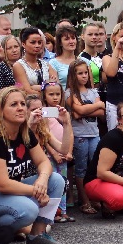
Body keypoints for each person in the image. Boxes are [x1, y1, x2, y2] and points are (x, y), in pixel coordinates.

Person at [0, 86, 66, 244]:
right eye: (13, 104)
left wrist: (42, 180)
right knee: (28, 210)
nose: (20, 108)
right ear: (0, 110)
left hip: (6, 195)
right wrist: (37, 191)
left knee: (55, 180)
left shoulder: (24, 133)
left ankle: (37, 236)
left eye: (22, 104)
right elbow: (2, 184)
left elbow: (44, 163)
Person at [66, 59, 103, 215]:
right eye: (80, 73)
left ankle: (94, 197)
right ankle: (84, 200)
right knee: (81, 169)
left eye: (85, 73)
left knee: (94, 167)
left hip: (94, 134)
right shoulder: (69, 92)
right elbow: (77, 112)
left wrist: (83, 110)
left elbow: (102, 111)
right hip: (80, 135)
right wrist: (94, 107)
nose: (84, 76)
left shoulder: (93, 92)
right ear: (73, 76)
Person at [39, 81, 74, 222]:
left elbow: (70, 133)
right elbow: (44, 135)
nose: (55, 97)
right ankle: (53, 212)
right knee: (52, 183)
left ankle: (63, 210)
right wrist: (54, 153)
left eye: (58, 94)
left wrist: (69, 151)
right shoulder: (44, 112)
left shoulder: (64, 112)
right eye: (51, 94)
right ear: (44, 95)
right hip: (50, 155)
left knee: (64, 183)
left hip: (64, 154)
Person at [48, 23, 79, 92]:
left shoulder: (84, 61)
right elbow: (56, 89)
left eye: (73, 38)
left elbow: (90, 88)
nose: (71, 41)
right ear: (60, 43)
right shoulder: (53, 63)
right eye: (67, 39)